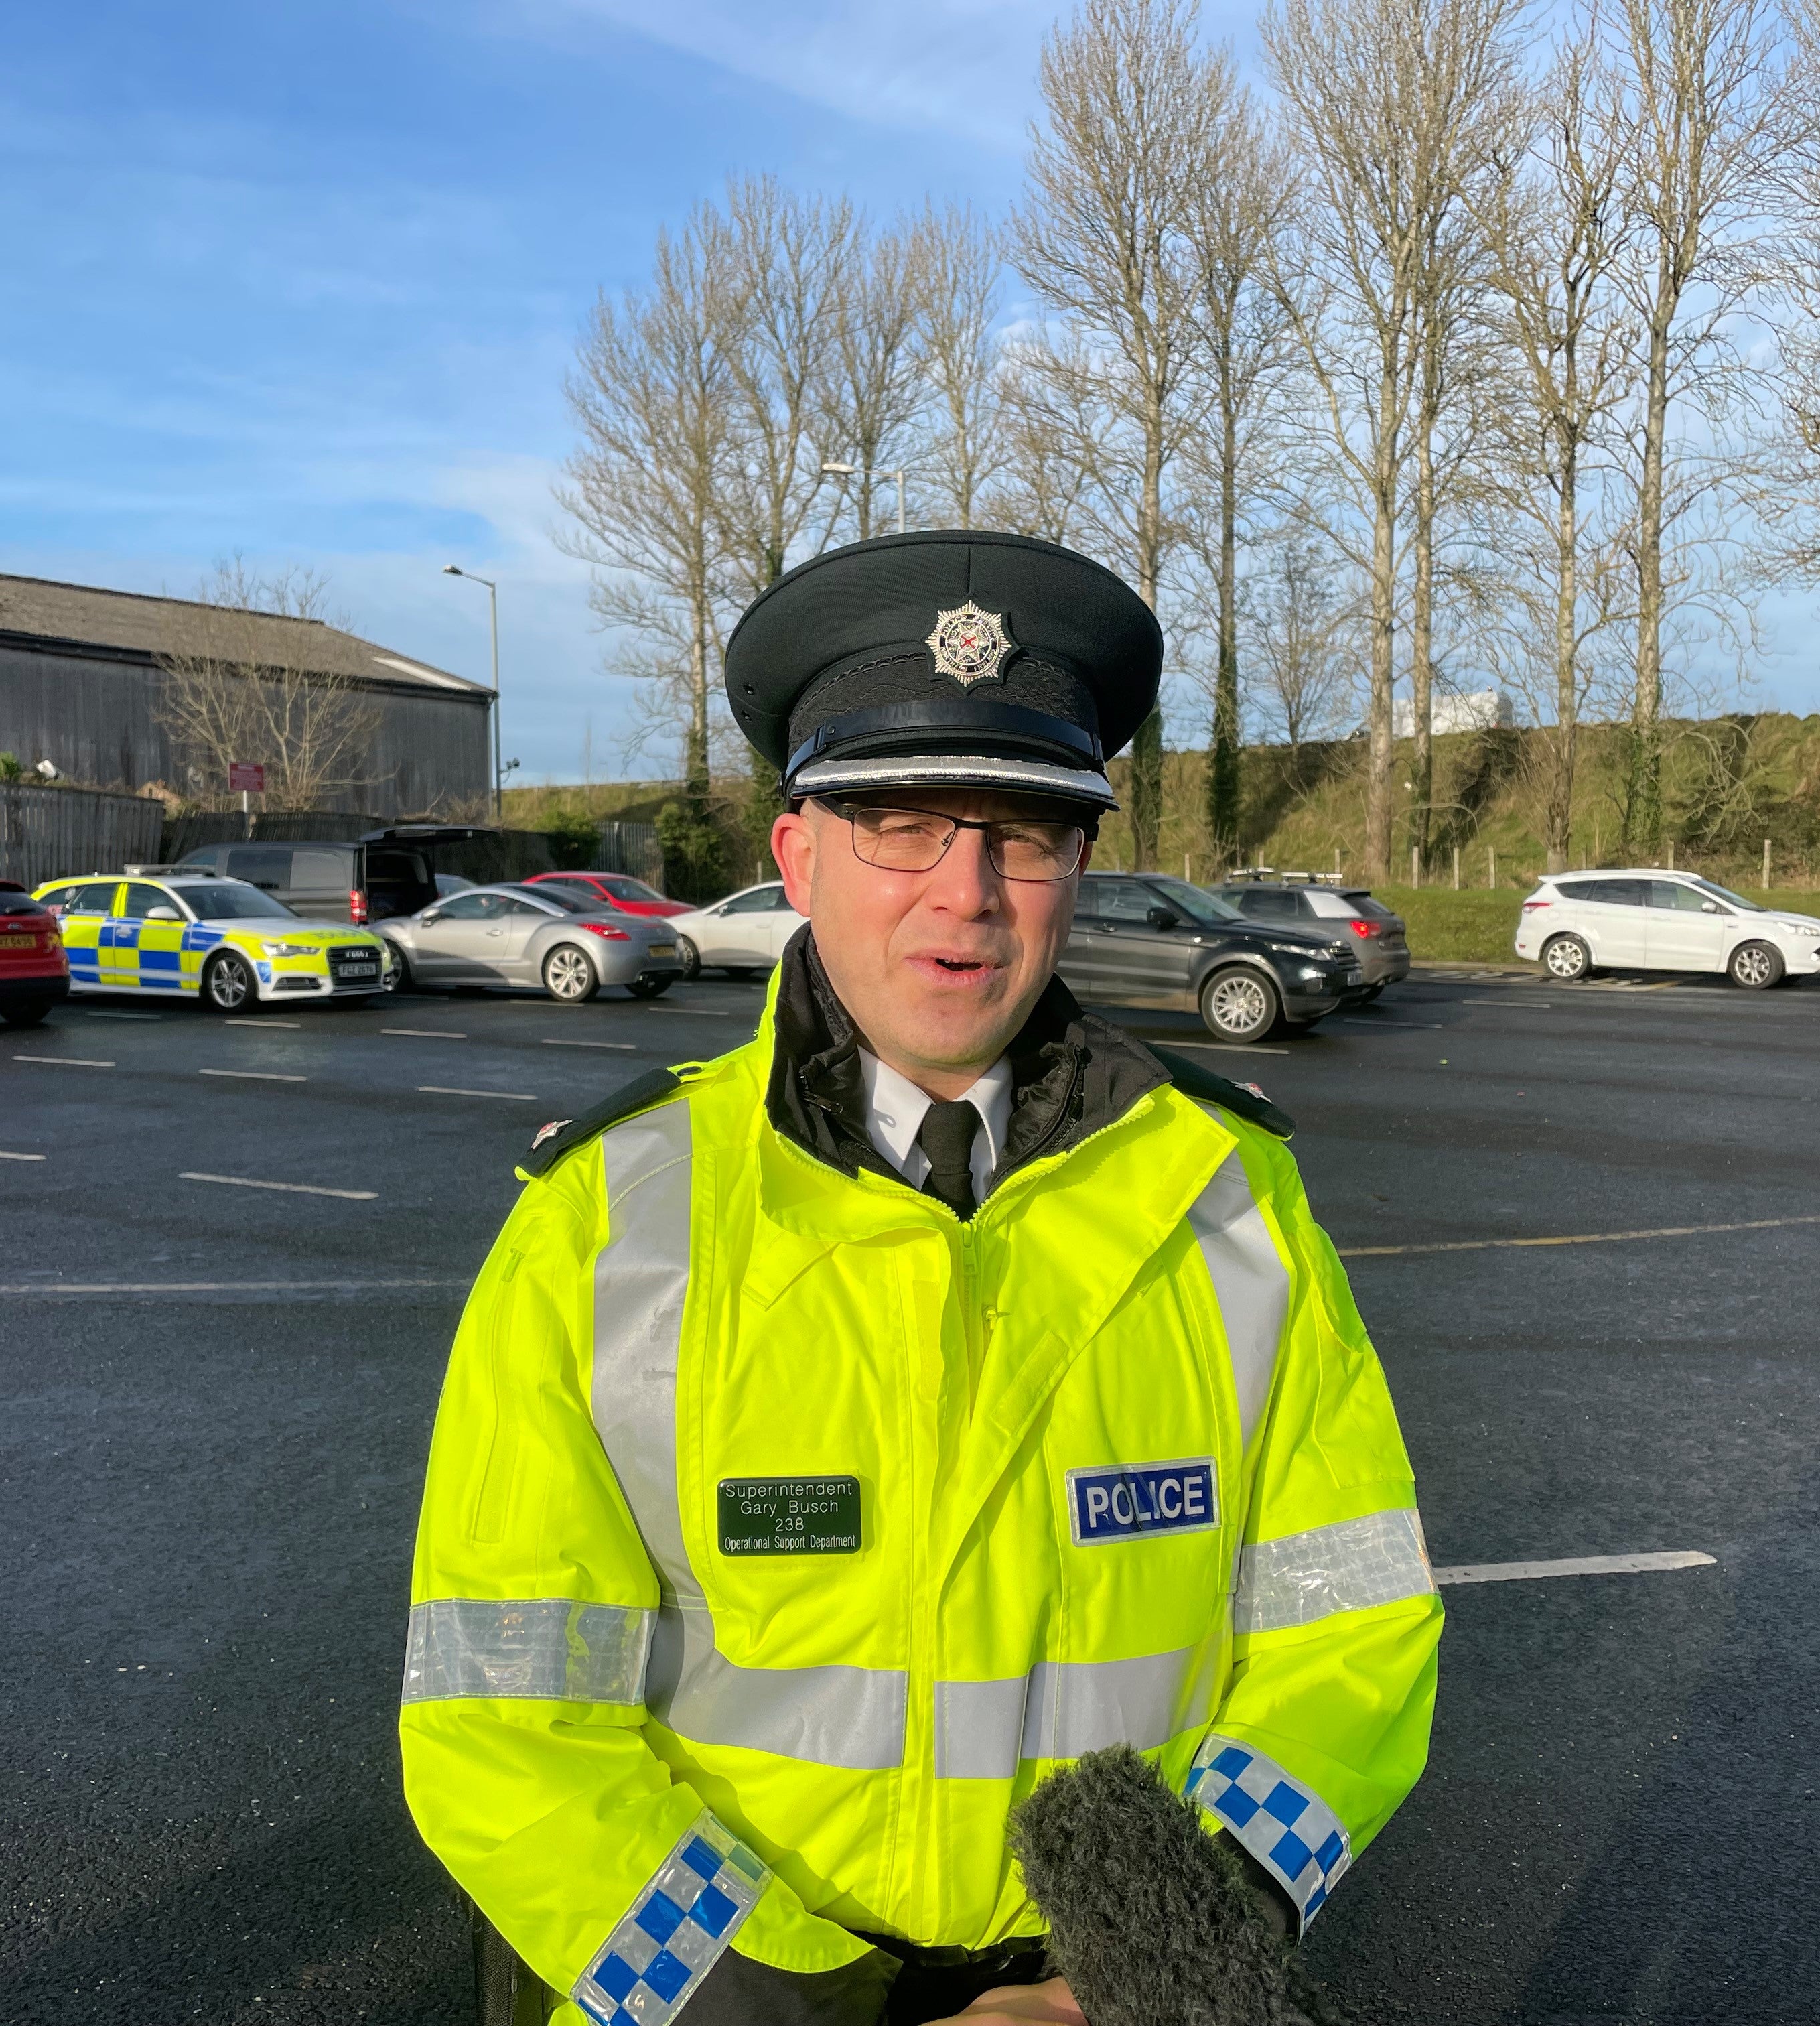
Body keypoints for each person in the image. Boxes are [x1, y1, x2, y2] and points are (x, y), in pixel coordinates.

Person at [400, 531, 1442, 2026]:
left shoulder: (1237, 1197)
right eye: (899, 822)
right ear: (796, 855)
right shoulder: (602, 1219)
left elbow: (1354, 1639)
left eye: (1024, 829)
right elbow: (501, 1724)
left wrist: (1135, 1981)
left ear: (1082, 859)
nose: (967, 897)